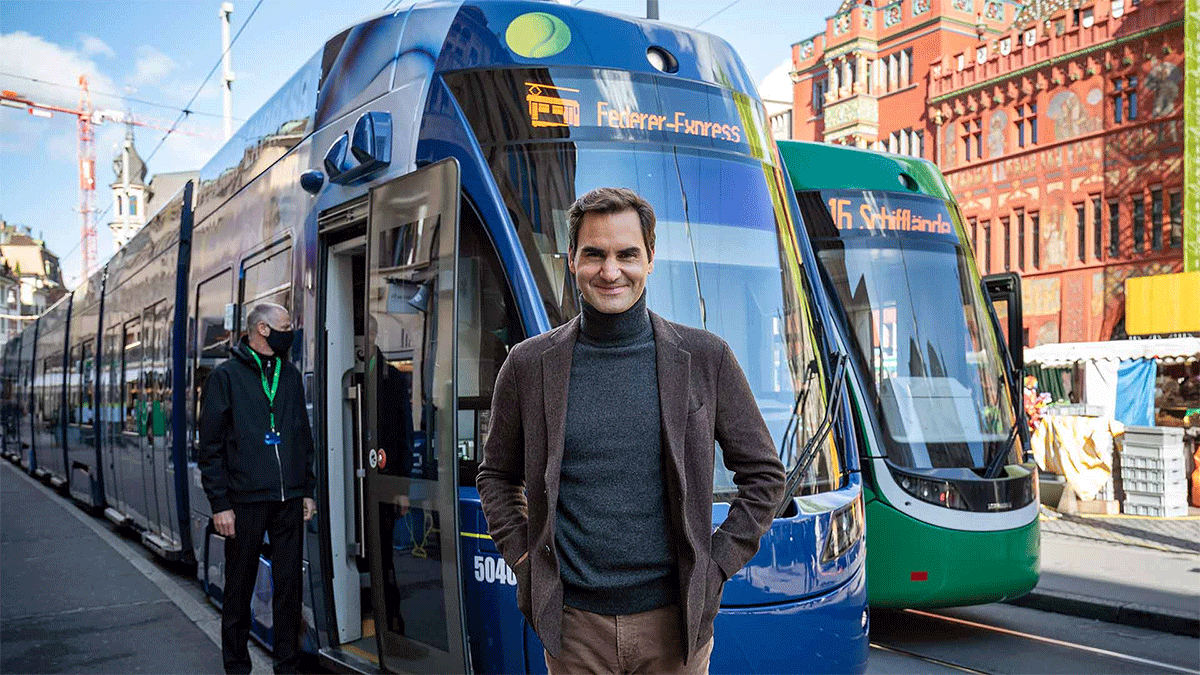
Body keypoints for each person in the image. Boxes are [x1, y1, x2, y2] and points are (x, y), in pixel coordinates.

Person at [477, 187, 786, 674]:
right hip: (573, 629)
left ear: (650, 259)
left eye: (627, 255)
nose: (610, 270)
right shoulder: (527, 365)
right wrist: (526, 562)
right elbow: (496, 476)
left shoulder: (707, 358)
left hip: (676, 625)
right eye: (594, 254)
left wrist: (716, 565)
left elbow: (766, 477)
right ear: (572, 260)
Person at [199, 302, 317, 675]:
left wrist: (307, 489)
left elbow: (302, 436)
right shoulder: (226, 378)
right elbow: (210, 448)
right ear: (263, 329)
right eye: (285, 326)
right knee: (238, 590)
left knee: (288, 590)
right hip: (243, 503)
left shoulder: (291, 375)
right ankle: (236, 667)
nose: (291, 331)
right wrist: (220, 504)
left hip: (288, 500)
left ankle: (287, 666)